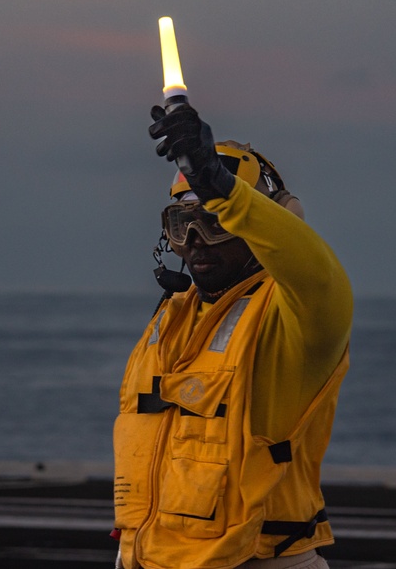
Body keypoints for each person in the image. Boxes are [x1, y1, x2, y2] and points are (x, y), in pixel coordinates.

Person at [111, 99, 352, 569]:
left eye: (217, 221)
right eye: (183, 225)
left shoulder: (299, 319)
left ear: (269, 221)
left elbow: (318, 274)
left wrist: (223, 189)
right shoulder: (175, 316)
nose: (196, 241)